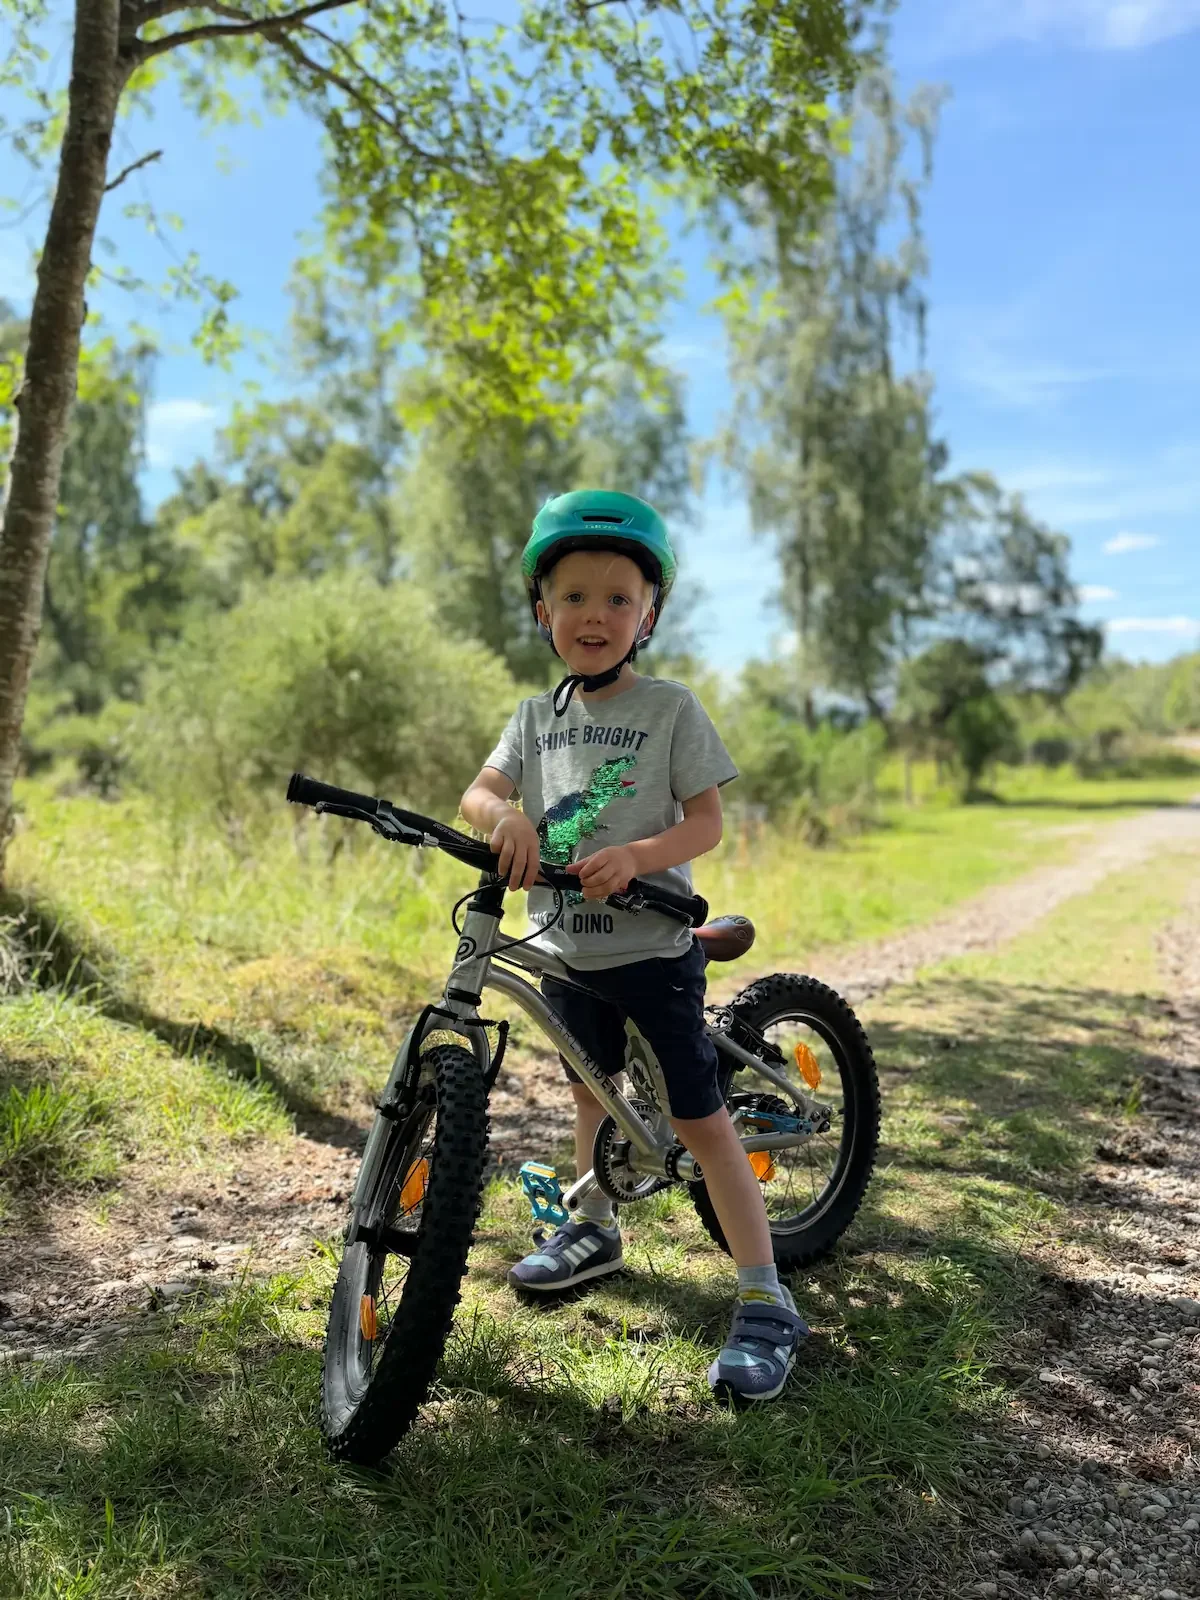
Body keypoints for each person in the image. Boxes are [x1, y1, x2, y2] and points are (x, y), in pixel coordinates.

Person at [459, 489, 808, 1402]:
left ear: (648, 616)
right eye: (573, 596)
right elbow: (477, 793)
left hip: (652, 948)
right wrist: (505, 817)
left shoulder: (670, 707)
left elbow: (706, 823)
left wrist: (638, 857)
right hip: (567, 950)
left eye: (618, 598)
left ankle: (764, 1295)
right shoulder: (534, 718)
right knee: (591, 1087)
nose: (595, 615)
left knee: (698, 1118)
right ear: (543, 612)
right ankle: (595, 1225)